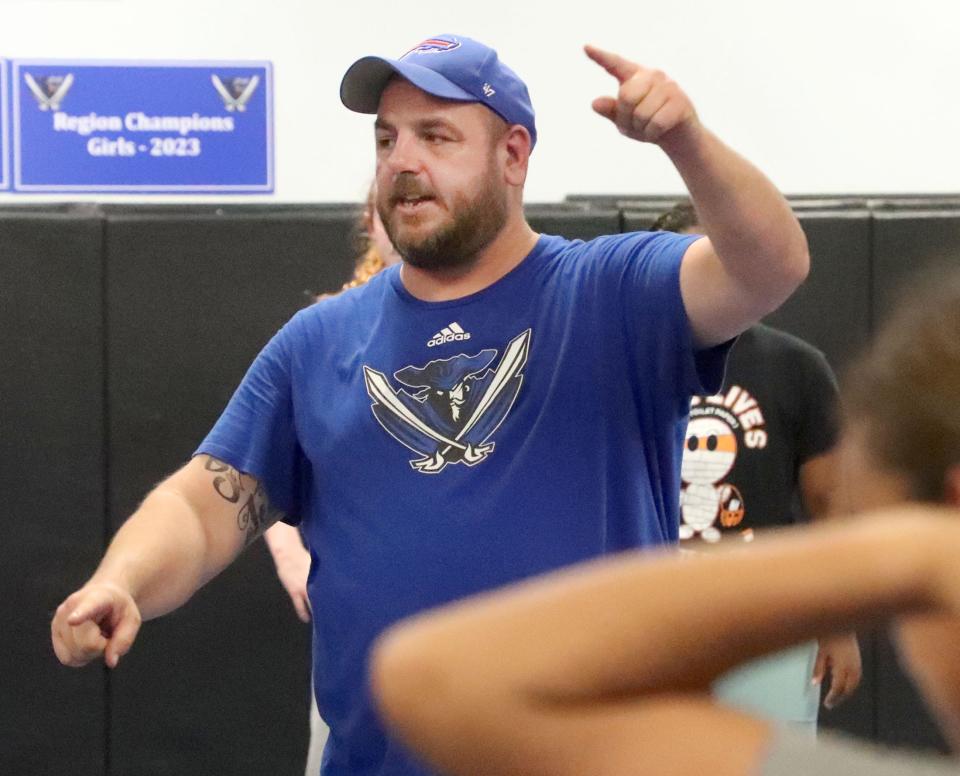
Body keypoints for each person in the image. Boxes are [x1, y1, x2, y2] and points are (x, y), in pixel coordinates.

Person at [50, 33, 808, 776]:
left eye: (436, 136)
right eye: (387, 140)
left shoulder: (611, 294)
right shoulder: (320, 341)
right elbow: (205, 503)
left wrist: (686, 141)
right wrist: (122, 583)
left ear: (512, 155)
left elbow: (772, 266)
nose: (402, 161)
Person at [368, 266, 960, 775]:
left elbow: (432, 677)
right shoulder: (622, 365)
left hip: (756, 636)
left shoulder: (793, 366)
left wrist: (914, 558)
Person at [653, 200, 862, 728]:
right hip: (650, 612)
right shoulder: (629, 361)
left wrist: (839, 621)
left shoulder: (795, 365)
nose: (711, 277)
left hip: (765, 614)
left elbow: (829, 503)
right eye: (693, 262)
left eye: (722, 259)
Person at [263, 185, 402, 776]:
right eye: (387, 206)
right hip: (355, 599)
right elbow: (261, 462)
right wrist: (291, 554)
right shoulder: (328, 329)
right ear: (369, 224)